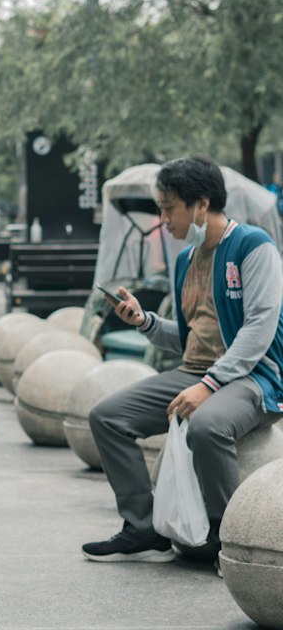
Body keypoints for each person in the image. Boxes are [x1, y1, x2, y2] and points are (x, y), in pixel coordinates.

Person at [84, 154, 283, 563]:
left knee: (206, 426)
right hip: (195, 373)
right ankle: (141, 526)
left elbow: (258, 330)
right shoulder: (184, 260)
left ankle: (230, 541)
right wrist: (145, 321)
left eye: (169, 208)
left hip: (252, 378)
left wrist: (209, 386)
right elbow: (191, 339)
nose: (163, 219)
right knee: (107, 417)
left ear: (202, 204)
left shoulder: (254, 246)